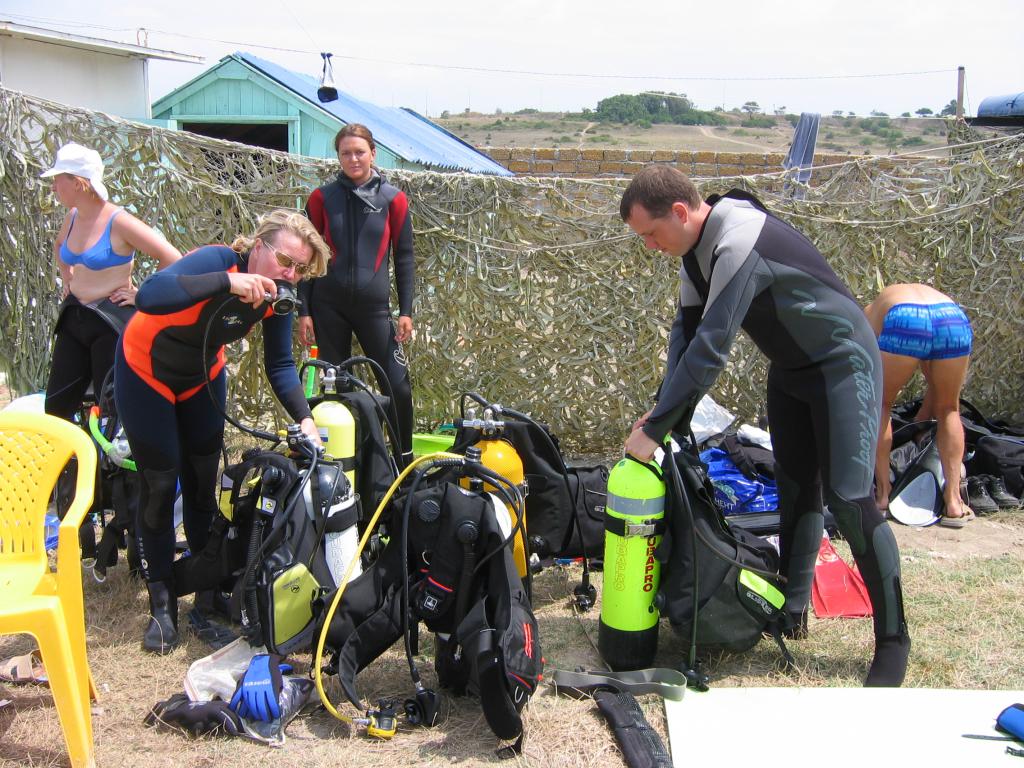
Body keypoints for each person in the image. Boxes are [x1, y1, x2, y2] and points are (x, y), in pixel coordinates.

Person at [620, 164, 909, 687]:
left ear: (680, 212)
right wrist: (661, 411)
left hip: (843, 365)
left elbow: (712, 348)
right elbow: (684, 339)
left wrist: (657, 428)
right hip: (792, 371)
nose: (649, 246)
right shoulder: (694, 256)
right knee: (796, 491)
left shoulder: (737, 239)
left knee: (848, 500)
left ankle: (893, 642)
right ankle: (792, 609)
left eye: (650, 233)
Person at [113, 210, 329, 653]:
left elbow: (281, 365)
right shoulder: (216, 261)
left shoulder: (277, 294)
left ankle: (205, 584)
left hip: (201, 376)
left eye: (298, 269)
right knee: (159, 482)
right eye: (285, 261)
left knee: (203, 482)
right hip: (145, 369)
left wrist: (304, 417)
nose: (289, 274)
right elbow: (151, 295)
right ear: (257, 245)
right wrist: (227, 283)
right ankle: (161, 597)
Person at [299, 124, 416, 465]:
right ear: (338, 156)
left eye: (359, 152)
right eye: (346, 152)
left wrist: (405, 310)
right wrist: (304, 310)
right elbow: (308, 257)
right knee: (339, 391)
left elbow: (405, 255)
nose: (353, 158)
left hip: (374, 309)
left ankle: (403, 460)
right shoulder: (322, 198)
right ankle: (350, 462)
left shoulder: (392, 199)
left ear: (373, 154)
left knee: (398, 386)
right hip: (328, 306)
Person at [40, 142, 181, 421]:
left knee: (110, 411)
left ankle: (108, 465)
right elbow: (59, 247)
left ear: (78, 183)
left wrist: (142, 295)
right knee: (56, 407)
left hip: (109, 322)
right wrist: (67, 277)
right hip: (75, 317)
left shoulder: (119, 222)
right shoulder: (72, 217)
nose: (53, 187)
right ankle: (69, 462)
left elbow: (172, 257)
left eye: (57, 180)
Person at [864, 283, 973, 526]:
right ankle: (954, 502)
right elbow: (934, 386)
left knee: (880, 404)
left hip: (906, 317)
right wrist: (918, 425)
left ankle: (882, 495)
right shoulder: (928, 295)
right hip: (951, 318)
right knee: (949, 409)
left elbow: (862, 377)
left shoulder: (868, 313)